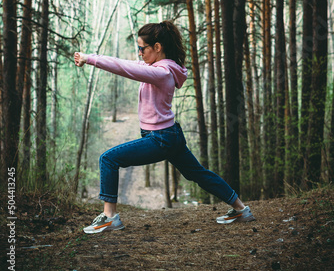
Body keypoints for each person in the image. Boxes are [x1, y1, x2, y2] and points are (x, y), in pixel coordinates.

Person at [74, 20, 255, 234]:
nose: (139, 53)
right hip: (170, 135)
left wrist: (90, 59)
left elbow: (124, 68)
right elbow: (126, 62)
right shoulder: (157, 68)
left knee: (109, 159)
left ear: (157, 48)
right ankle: (241, 209)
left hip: (160, 138)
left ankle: (110, 218)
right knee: (198, 173)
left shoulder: (161, 73)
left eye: (142, 48)